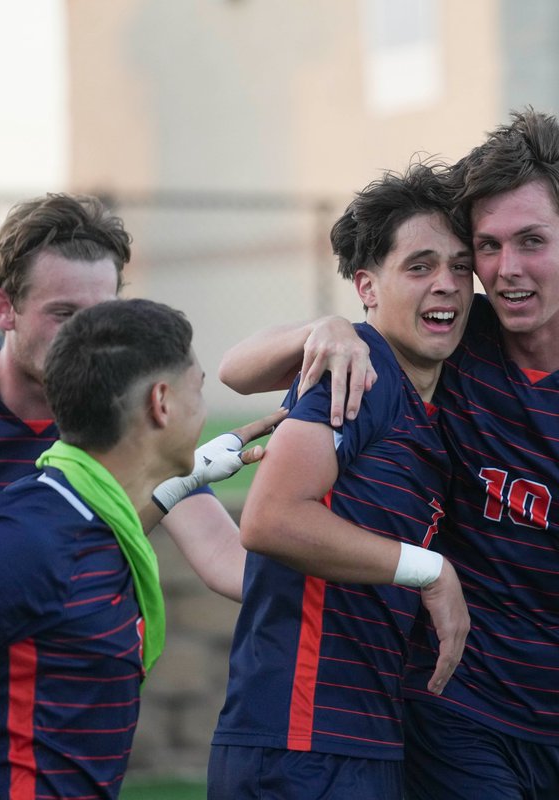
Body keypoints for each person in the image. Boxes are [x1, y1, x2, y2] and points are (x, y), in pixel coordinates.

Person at [219, 108, 559, 799]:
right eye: (487, 247)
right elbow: (239, 372)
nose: (504, 270)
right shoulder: (452, 340)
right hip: (449, 701)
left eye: (530, 242)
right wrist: (329, 326)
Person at [0, 298, 233, 799]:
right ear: (162, 402)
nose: (205, 409)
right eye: (200, 389)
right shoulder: (25, 538)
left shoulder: (95, 524)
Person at [0, 193, 262, 639]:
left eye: (101, 315)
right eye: (63, 314)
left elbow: (229, 562)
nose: (86, 334)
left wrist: (335, 328)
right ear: (3, 309)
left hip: (75, 700)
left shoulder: (131, 417)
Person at [208, 162, 472, 799]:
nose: (447, 285)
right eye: (420, 266)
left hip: (350, 741)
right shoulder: (358, 370)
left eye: (461, 266)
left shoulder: (427, 397)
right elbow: (270, 519)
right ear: (367, 286)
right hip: (302, 745)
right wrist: (428, 569)